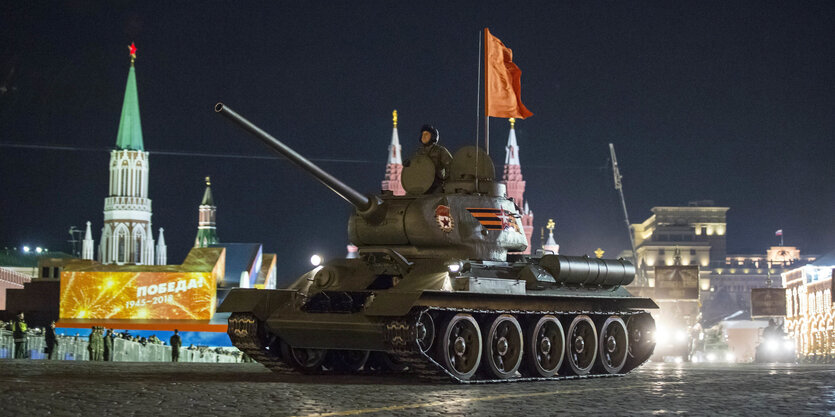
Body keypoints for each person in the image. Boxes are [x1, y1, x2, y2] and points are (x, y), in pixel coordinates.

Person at [410, 124, 453, 193]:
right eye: (423, 134)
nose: (424, 136)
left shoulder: (440, 151)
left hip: (436, 185)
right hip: (421, 185)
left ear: (433, 136)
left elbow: (451, 166)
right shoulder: (419, 152)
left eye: (426, 134)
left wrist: (446, 182)